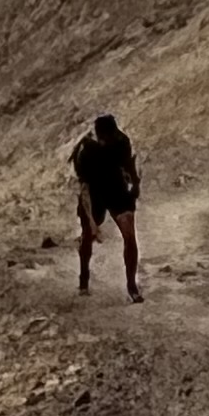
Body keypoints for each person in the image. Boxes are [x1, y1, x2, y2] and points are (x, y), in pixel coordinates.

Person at [70, 113, 142, 299]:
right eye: (106, 137)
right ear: (99, 135)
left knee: (130, 236)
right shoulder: (86, 150)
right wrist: (91, 222)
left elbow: (129, 165)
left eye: (112, 136)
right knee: (88, 234)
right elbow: (84, 189)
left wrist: (135, 184)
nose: (109, 140)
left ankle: (132, 286)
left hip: (116, 187)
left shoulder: (121, 141)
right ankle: (84, 279)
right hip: (95, 190)